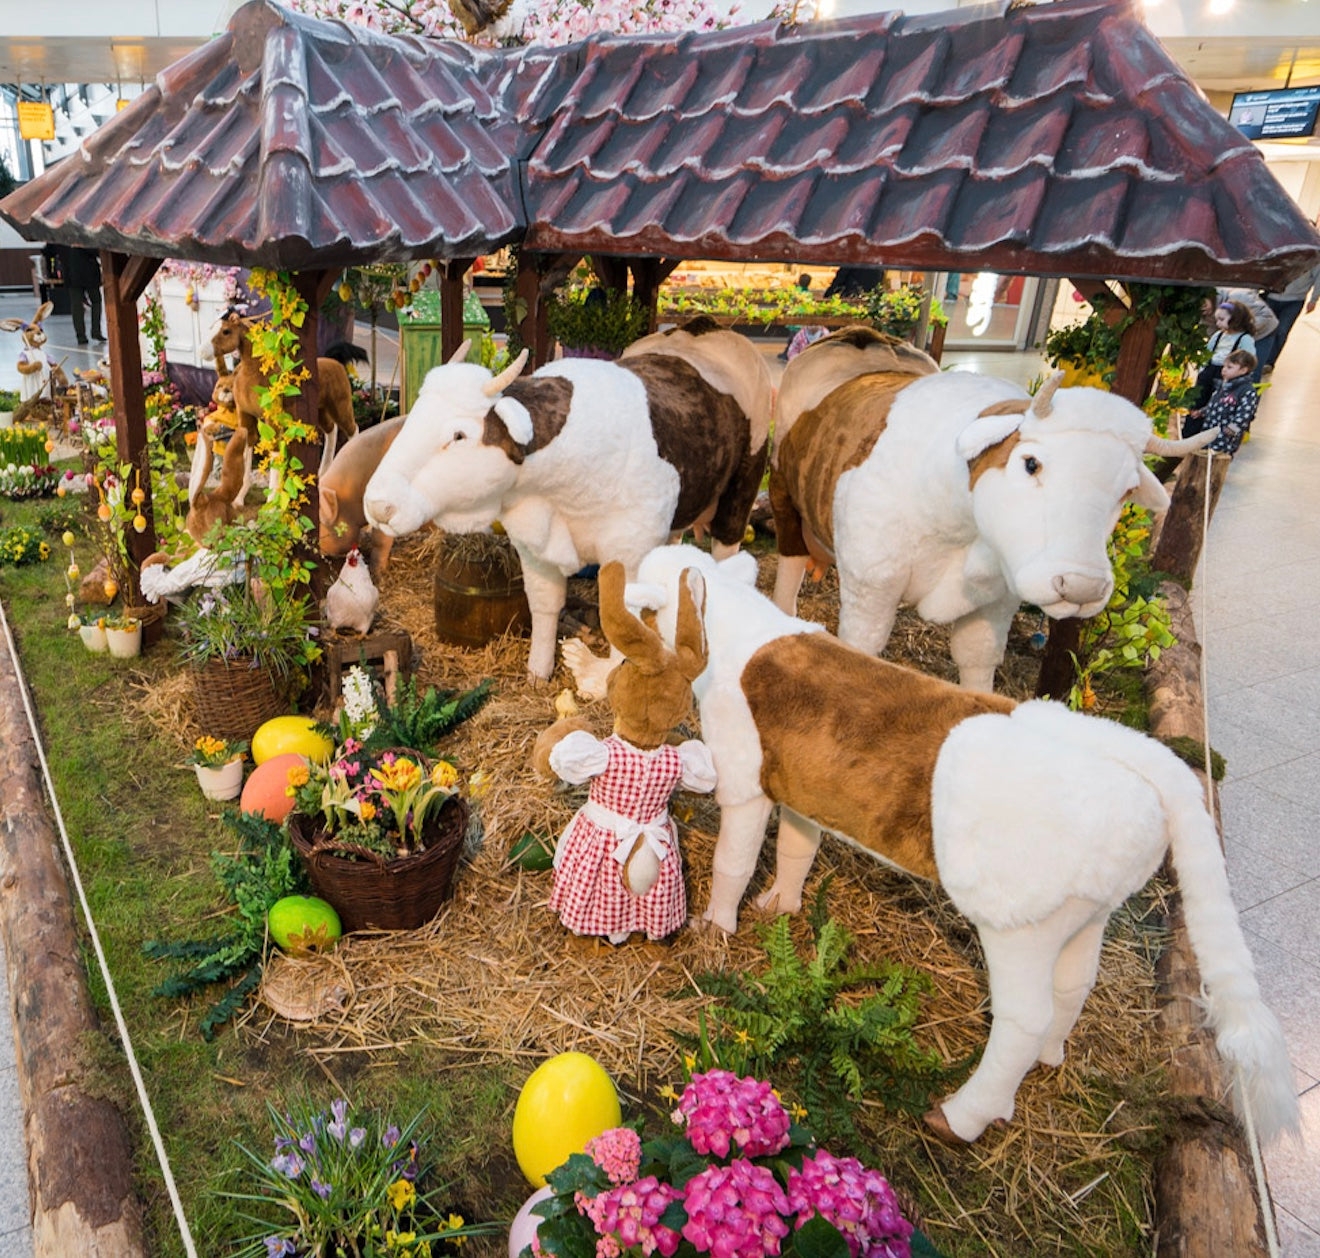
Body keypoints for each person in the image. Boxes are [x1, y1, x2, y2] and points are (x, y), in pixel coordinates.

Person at [1183, 348, 1258, 455]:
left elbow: (1245, 415)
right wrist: (1202, 412)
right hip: (1210, 430)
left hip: (1226, 437)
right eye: (1224, 366)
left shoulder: (1246, 391)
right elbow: (1214, 403)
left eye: (1229, 367)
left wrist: (1232, 429)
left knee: (1217, 459)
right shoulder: (1224, 385)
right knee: (1204, 455)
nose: (1224, 370)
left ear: (1243, 370)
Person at [1191, 299, 1255, 409]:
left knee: (1217, 404)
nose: (1217, 323)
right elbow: (1208, 351)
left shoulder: (1245, 339)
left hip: (1228, 377)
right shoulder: (1219, 335)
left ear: (1235, 320)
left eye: (1221, 319)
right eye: (1217, 320)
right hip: (1209, 372)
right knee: (1198, 402)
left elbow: (1247, 360)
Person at [1262, 261, 1320, 371]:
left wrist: (1314, 299)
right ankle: (1258, 360)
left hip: (1295, 300)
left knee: (1282, 331)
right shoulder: (1282, 249)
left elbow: (1318, 277)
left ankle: (1269, 362)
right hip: (1271, 295)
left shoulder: (1314, 255)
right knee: (1265, 330)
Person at [1218, 287, 1277, 382]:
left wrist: (1241, 328)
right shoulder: (1208, 312)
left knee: (1252, 372)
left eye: (1221, 320)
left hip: (1263, 333)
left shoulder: (1240, 297)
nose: (1218, 323)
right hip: (1236, 335)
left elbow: (1266, 316)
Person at [58, 245, 104, 346]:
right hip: (89, 272)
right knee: (96, 301)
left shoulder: (62, 235)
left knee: (76, 306)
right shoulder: (81, 234)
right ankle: (96, 331)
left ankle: (81, 336)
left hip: (70, 273)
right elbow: (94, 251)